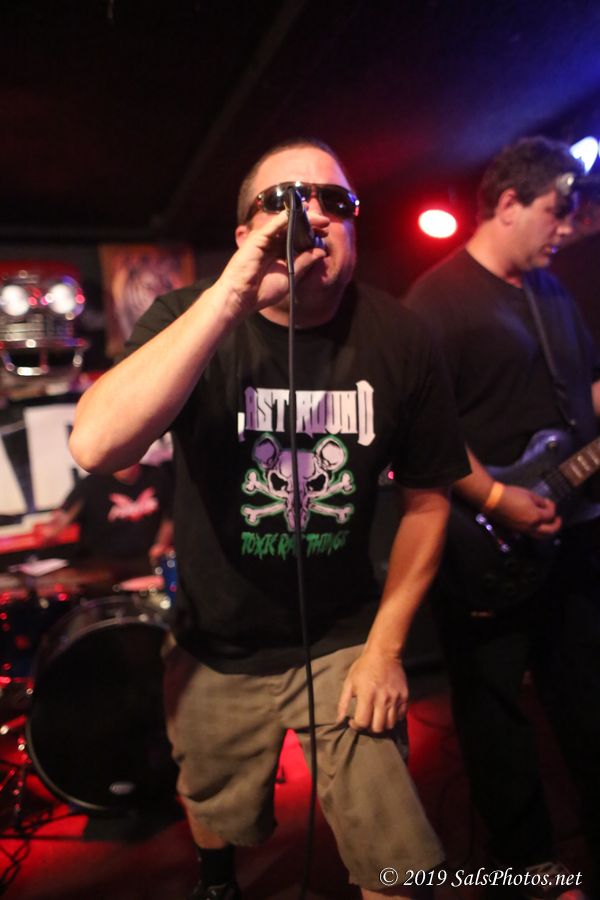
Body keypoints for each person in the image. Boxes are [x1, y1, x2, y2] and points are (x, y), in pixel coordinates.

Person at [69, 137, 469, 899]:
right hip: (216, 639)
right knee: (214, 800)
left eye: (334, 201)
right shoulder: (190, 316)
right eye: (283, 201)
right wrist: (232, 298)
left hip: (343, 639)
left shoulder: (400, 335)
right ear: (245, 232)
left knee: (399, 861)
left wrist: (386, 649)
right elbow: (96, 445)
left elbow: (428, 498)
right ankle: (217, 880)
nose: (312, 214)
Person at [405, 136, 600, 899]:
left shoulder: (552, 294)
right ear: (508, 203)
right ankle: (527, 866)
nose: (567, 227)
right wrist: (494, 497)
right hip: (482, 542)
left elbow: (583, 396)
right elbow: (421, 430)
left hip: (573, 531)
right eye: (556, 210)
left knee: (586, 697)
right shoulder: (435, 300)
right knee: (493, 719)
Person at [41, 461, 174, 577]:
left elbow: (170, 516)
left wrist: (161, 545)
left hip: (145, 563)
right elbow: (61, 519)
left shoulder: (157, 476)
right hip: (100, 567)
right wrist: (51, 530)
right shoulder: (92, 484)